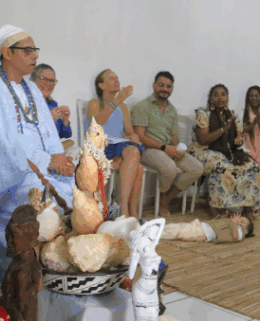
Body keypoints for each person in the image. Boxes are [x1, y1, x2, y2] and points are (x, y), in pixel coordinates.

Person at [0, 25, 75, 280]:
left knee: (74, 188)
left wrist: (60, 161)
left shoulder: (31, 89)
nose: (35, 55)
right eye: (27, 50)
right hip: (9, 175)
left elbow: (48, 133)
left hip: (38, 167)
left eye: (35, 50)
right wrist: (47, 161)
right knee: (36, 195)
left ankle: (62, 260)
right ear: (7, 53)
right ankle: (31, 268)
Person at [131, 71, 205, 217]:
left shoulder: (172, 110)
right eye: (161, 85)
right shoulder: (143, 106)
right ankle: (163, 201)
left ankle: (166, 198)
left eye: (168, 86)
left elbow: (173, 136)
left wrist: (177, 149)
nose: (164, 89)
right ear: (154, 86)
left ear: (172, 89)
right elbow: (140, 136)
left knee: (197, 168)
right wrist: (165, 148)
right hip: (147, 149)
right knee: (169, 167)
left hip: (167, 149)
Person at [189, 84, 260, 216]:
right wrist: (224, 128)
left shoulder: (232, 115)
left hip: (227, 151)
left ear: (227, 97)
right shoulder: (203, 113)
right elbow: (203, 140)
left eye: (223, 94)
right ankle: (218, 207)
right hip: (203, 150)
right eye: (216, 95)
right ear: (211, 98)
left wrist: (239, 139)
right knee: (221, 164)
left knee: (251, 164)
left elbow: (239, 135)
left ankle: (248, 206)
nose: (220, 98)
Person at [86, 70, 145, 218]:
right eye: (112, 78)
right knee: (136, 163)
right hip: (101, 147)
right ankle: (123, 208)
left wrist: (133, 137)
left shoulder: (122, 106)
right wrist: (115, 102)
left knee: (138, 165)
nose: (117, 80)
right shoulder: (94, 103)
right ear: (101, 85)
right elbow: (96, 124)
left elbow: (130, 131)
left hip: (118, 147)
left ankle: (130, 212)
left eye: (117, 78)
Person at [30, 64, 72, 147]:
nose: (48, 84)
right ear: (32, 80)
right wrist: (49, 118)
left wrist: (65, 121)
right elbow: (27, 136)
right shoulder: (25, 103)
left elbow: (65, 136)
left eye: (52, 81)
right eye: (44, 79)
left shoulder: (53, 104)